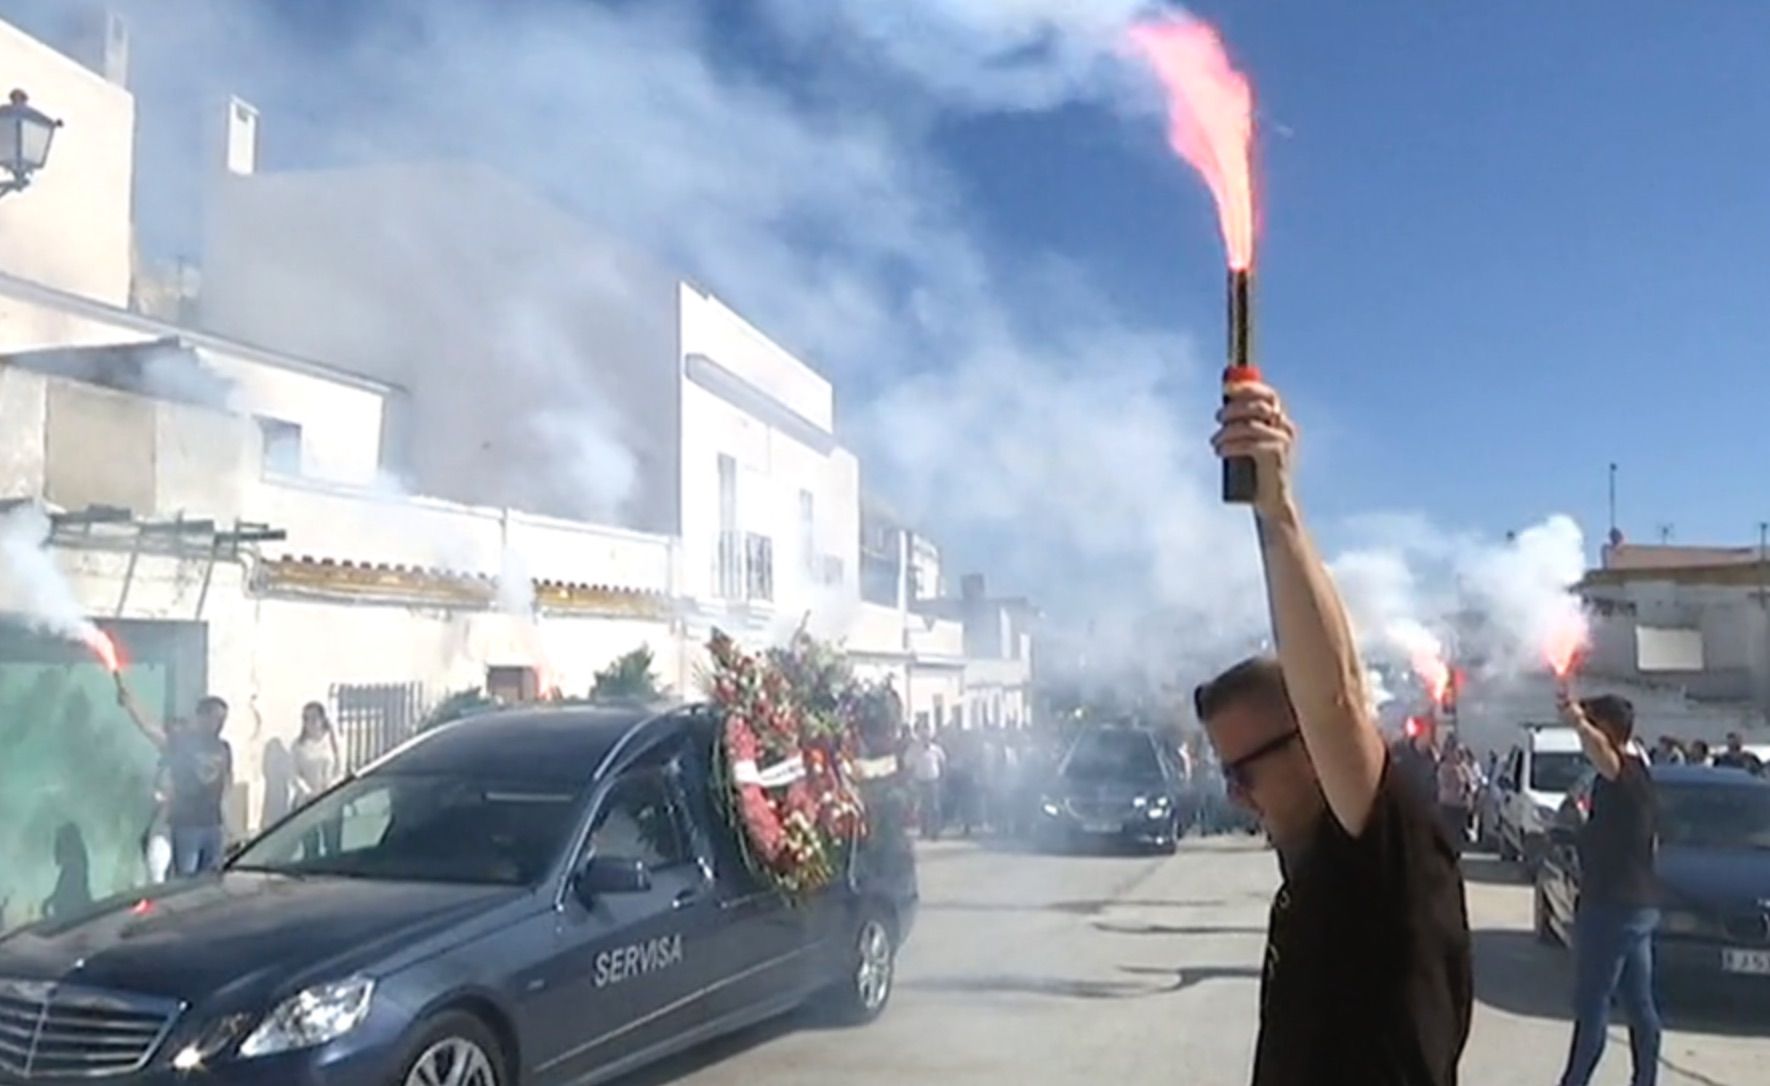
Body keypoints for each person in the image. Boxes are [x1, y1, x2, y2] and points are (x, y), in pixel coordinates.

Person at [1194, 381, 1471, 1086]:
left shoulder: (1387, 861)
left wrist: (1278, 511)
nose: (1236, 797)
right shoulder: (1311, 878)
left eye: (1243, 772)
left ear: (1310, 750)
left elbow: (1335, 698)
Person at [1555, 692, 1661, 1086]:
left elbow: (1602, 752)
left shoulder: (1624, 772)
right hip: (1636, 906)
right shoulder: (1640, 771)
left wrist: (1578, 722)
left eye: (1596, 725)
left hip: (1612, 907)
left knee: (1593, 1004)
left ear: (1610, 730)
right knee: (1639, 1004)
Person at [117, 679, 233, 876]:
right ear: (201, 717)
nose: (220, 723)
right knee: (186, 881)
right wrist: (131, 704)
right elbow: (150, 729)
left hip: (213, 826)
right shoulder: (182, 742)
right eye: (215, 717)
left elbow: (227, 785)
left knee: (211, 881)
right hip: (187, 826)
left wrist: (229, 827)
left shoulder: (223, 748)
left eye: (223, 718)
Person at [292, 702, 344, 855]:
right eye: (306, 718)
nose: (311, 722)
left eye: (314, 718)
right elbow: (295, 774)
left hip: (331, 800)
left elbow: (340, 769)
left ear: (322, 719)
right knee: (310, 847)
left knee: (333, 846)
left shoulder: (333, 741)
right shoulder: (299, 746)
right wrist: (308, 792)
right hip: (307, 802)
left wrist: (331, 787)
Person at [907, 728, 946, 839]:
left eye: (927, 738)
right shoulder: (914, 749)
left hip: (933, 781)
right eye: (923, 737)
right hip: (919, 781)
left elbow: (943, 762)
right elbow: (908, 763)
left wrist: (943, 778)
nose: (925, 740)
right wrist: (910, 779)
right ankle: (924, 830)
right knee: (922, 807)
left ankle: (935, 831)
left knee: (934, 807)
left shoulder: (936, 749)